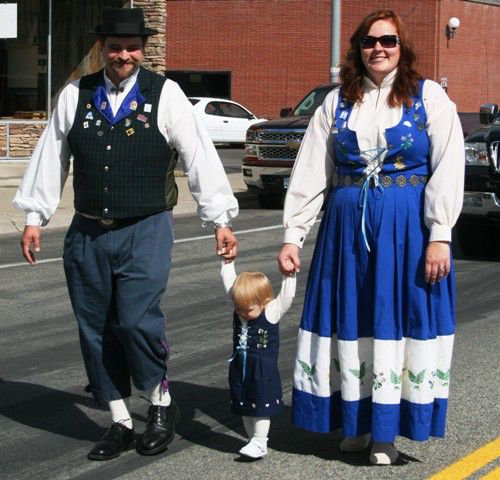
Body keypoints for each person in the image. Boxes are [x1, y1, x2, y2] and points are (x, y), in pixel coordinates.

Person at [13, 7, 238, 461]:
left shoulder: (167, 94)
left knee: (136, 320)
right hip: (88, 231)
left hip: (146, 227)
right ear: (103, 48)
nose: (124, 55)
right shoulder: (77, 93)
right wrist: (35, 215)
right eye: (115, 47)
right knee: (94, 328)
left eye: (132, 47)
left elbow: (199, 156)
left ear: (143, 48)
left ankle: (159, 405)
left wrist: (220, 220)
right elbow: (50, 156)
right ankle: (118, 419)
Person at [278, 9, 464, 465]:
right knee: (351, 319)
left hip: (407, 234)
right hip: (345, 234)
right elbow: (311, 171)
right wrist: (293, 234)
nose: (378, 48)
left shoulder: (428, 97)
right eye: (368, 41)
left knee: (393, 321)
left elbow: (449, 162)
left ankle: (385, 434)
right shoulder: (337, 102)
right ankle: (356, 424)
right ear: (357, 48)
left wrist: (440, 234)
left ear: (403, 48)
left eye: (388, 41)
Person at [221, 260, 296, 459]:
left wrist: (289, 275)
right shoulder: (240, 307)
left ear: (264, 302)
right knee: (244, 404)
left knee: (261, 406)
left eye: (248, 310)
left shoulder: (270, 312)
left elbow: (286, 298)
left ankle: (261, 441)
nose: (243, 314)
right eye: (239, 309)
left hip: (262, 370)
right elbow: (229, 285)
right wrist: (227, 262)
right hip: (240, 366)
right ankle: (252, 440)